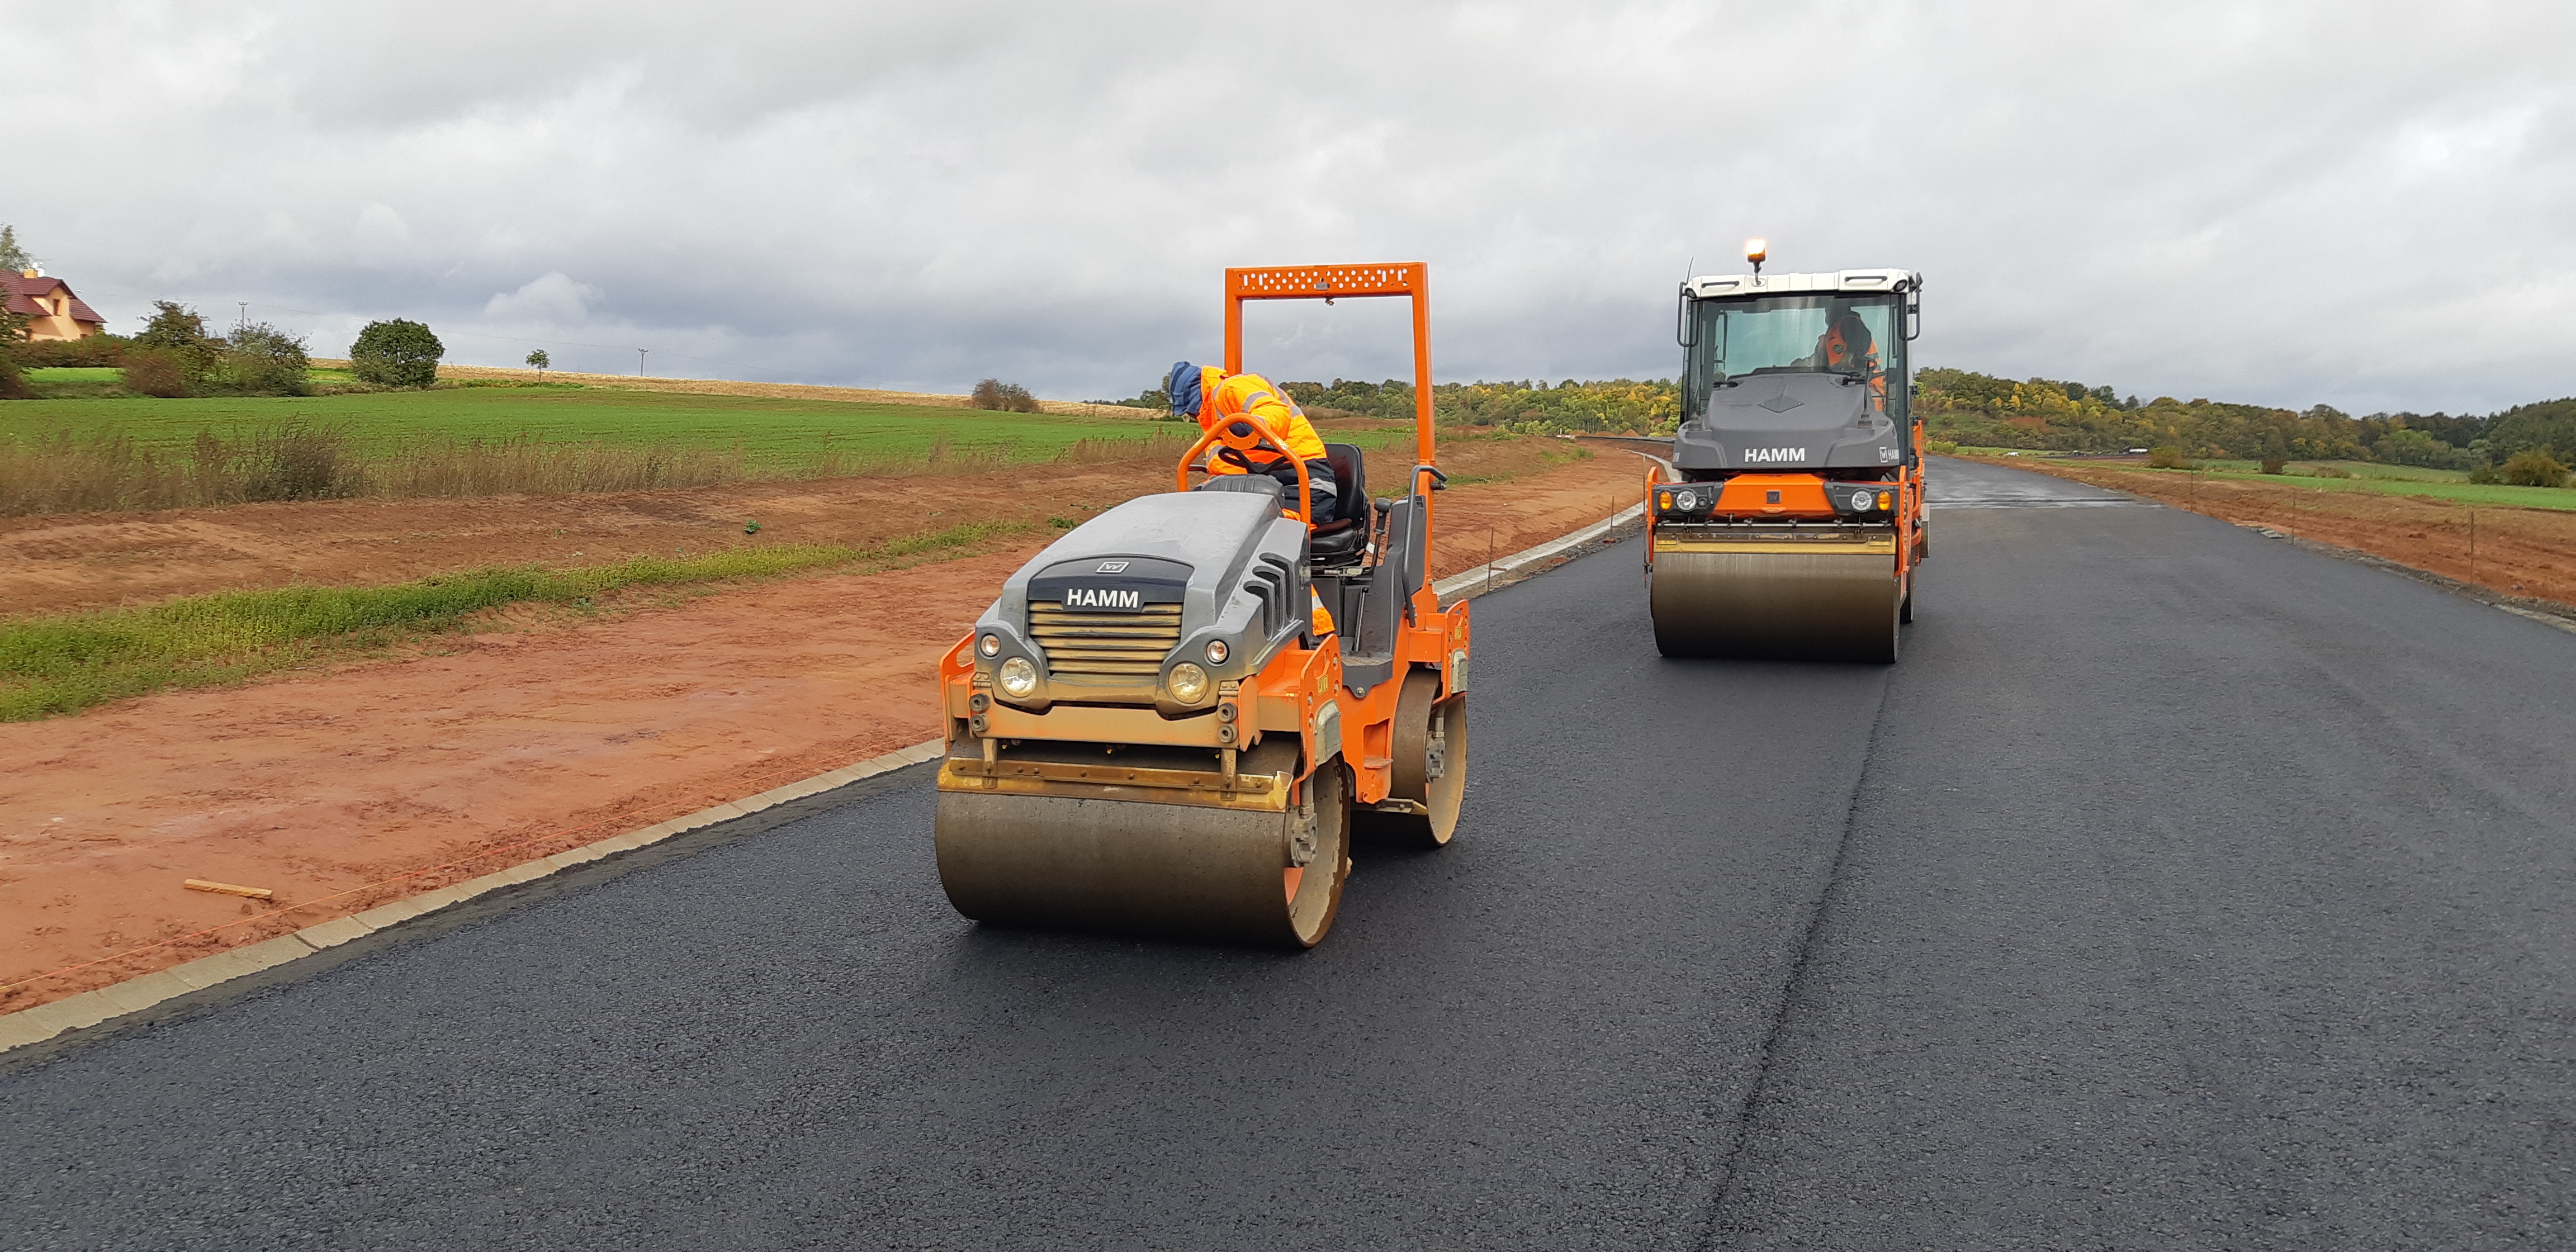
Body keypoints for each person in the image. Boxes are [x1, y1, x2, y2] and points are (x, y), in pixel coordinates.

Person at [1168, 361, 1337, 524]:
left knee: (1250, 528)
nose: (1193, 417)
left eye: (1189, 412)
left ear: (1195, 399)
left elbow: (1274, 411)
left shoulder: (1233, 387)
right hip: (1260, 487)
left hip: (1302, 485)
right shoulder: (1213, 419)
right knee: (1193, 513)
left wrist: (1252, 427)